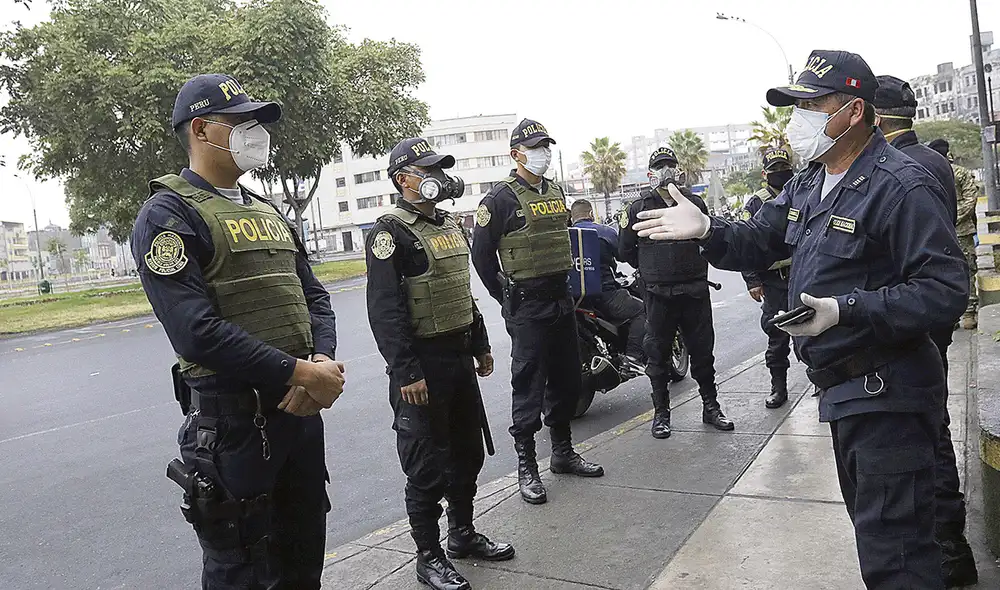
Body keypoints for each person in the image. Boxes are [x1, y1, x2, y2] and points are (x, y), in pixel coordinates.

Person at [632, 50, 970, 589]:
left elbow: (945, 289)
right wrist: (707, 231)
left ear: (855, 112)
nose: (799, 119)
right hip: (846, 394)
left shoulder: (900, 185)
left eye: (813, 104)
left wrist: (846, 310)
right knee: (880, 543)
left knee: (897, 559)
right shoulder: (810, 182)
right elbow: (756, 239)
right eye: (797, 105)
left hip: (889, 394)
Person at [132, 74, 346, 589]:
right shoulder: (168, 214)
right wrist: (299, 372)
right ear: (202, 130)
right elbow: (196, 332)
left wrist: (320, 359)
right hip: (235, 424)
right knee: (244, 570)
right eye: (242, 123)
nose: (257, 133)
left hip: (299, 412)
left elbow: (313, 295)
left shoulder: (268, 210)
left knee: (302, 559)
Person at [366, 138, 514, 590]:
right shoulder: (389, 234)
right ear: (402, 180)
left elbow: (460, 290)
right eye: (425, 169)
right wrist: (405, 371)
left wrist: (481, 342)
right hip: (421, 365)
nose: (435, 176)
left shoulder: (449, 224)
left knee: (467, 454)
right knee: (427, 466)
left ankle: (462, 535)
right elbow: (385, 311)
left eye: (438, 168)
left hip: (457, 358)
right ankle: (427, 557)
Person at [874, 79, 979, 586]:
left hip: (911, 318)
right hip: (932, 319)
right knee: (932, 427)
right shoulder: (935, 162)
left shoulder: (902, 169)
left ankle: (948, 549)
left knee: (927, 434)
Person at [471, 118, 604, 506]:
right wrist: (505, 298)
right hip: (527, 305)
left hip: (561, 299)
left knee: (567, 378)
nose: (543, 153)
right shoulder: (499, 200)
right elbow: (481, 257)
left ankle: (562, 453)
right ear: (516, 154)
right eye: (535, 147)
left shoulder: (556, 191)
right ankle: (527, 466)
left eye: (546, 146)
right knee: (529, 384)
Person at [619, 147, 735, 439]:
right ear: (649, 174)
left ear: (678, 170)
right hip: (658, 295)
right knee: (657, 357)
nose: (665, 171)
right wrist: (651, 268)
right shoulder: (637, 208)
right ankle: (661, 415)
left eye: (670, 165)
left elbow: (708, 240)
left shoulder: (694, 204)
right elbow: (625, 251)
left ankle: (711, 408)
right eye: (660, 166)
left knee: (702, 353)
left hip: (694, 291)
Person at [740, 147, 795, 409]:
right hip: (773, 280)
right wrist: (752, 280)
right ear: (765, 174)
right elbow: (744, 241)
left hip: (802, 273)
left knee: (818, 331)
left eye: (783, 168)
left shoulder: (802, 191)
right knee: (777, 334)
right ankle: (779, 387)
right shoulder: (756, 202)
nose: (780, 173)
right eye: (774, 170)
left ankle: (822, 382)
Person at [570, 198, 646, 365]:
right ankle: (633, 357)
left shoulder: (565, 236)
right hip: (605, 295)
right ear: (591, 214)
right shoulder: (604, 231)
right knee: (641, 311)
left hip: (574, 299)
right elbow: (624, 254)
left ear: (572, 217)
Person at [929, 138, 980, 330]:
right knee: (947, 271)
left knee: (967, 268)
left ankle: (968, 312)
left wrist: (950, 217)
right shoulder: (933, 170)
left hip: (960, 230)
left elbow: (970, 198)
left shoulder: (958, 173)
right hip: (947, 230)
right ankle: (954, 315)